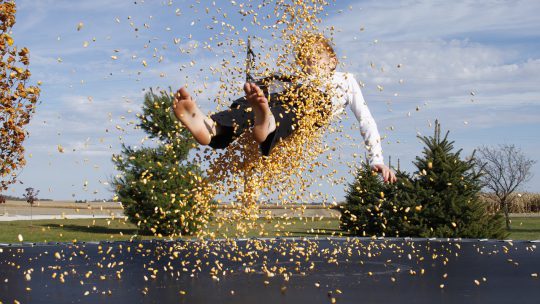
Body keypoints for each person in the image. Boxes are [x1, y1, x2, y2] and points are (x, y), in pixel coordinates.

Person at [172, 34, 397, 183]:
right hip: (287, 97)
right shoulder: (294, 79)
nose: (310, 62)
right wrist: (256, 87)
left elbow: (366, 119)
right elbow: (266, 87)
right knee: (253, 103)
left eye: (316, 56)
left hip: (315, 108)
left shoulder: (345, 80)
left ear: (332, 61)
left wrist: (376, 159)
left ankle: (267, 123)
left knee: (292, 110)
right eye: (304, 59)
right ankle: (213, 127)